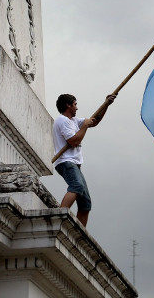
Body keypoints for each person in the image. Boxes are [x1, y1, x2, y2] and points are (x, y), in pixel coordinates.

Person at [53, 93, 115, 226]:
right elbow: (74, 141)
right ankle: (58, 217)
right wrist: (85, 126)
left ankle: (80, 233)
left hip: (75, 163)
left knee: (85, 203)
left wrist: (106, 105)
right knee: (77, 186)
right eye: (75, 104)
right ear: (68, 105)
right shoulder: (61, 120)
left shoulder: (74, 121)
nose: (77, 108)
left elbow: (95, 121)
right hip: (65, 161)